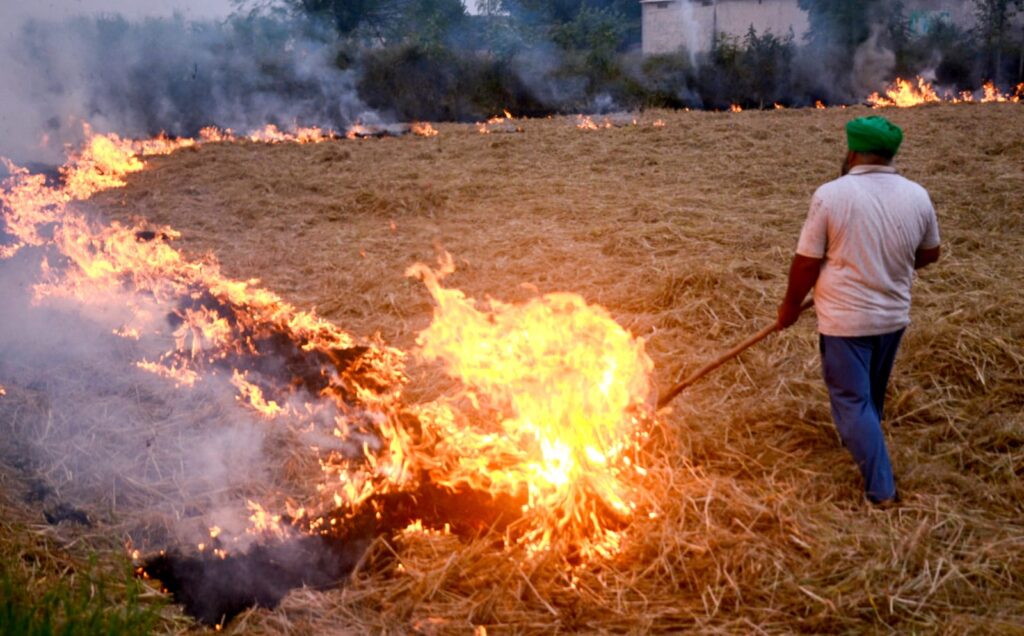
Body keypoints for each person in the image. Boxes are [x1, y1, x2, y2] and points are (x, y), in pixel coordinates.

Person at [777, 115, 941, 506]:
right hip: (893, 317)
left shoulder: (831, 195)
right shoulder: (917, 195)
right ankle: (864, 440)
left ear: (852, 152)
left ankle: (881, 490)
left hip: (846, 321)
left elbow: (806, 263)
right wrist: (888, 265)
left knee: (851, 401)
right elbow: (930, 252)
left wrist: (789, 307)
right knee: (870, 394)